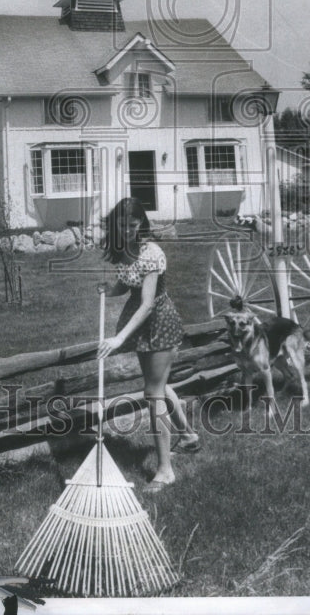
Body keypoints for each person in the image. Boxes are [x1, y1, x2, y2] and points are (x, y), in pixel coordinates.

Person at [97, 197, 200, 491]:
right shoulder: (123, 250)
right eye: (122, 225)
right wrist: (111, 289)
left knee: (152, 392)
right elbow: (129, 282)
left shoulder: (151, 252)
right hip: (143, 325)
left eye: (133, 225)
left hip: (158, 322)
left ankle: (165, 470)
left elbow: (146, 303)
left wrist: (119, 338)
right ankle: (189, 436)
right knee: (159, 384)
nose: (128, 230)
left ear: (141, 223)